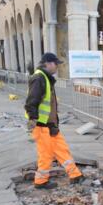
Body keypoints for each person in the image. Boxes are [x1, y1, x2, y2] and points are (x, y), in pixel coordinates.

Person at [25, 53, 84, 189]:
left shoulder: (45, 78)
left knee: (62, 150)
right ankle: (40, 181)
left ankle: (75, 175)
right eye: (56, 64)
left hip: (51, 125)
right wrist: (33, 119)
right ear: (48, 63)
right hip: (41, 125)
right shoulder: (39, 78)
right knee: (46, 155)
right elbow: (31, 102)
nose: (57, 67)